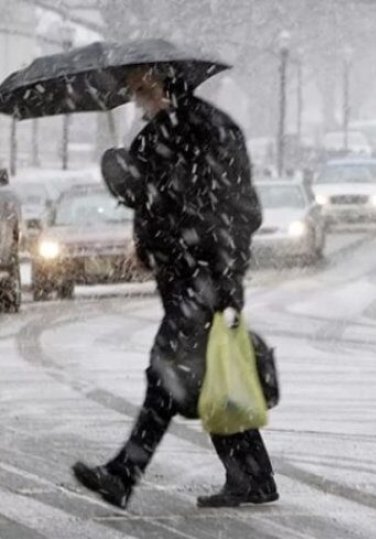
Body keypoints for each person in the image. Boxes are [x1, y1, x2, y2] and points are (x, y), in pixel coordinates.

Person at [72, 65, 278, 508]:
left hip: (203, 277)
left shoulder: (210, 129)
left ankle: (124, 473)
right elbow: (145, 197)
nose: (134, 93)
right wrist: (120, 173)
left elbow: (242, 211)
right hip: (181, 276)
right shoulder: (156, 134)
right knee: (210, 376)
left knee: (163, 374)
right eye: (131, 88)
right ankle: (254, 478)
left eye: (140, 84)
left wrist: (222, 276)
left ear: (164, 80)